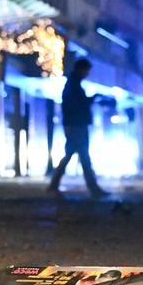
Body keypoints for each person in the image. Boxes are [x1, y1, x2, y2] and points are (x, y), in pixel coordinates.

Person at [49, 58, 107, 197]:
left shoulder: (73, 83)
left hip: (75, 125)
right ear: (82, 69)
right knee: (83, 157)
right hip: (77, 126)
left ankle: (54, 184)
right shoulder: (73, 85)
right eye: (87, 71)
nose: (87, 74)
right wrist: (92, 98)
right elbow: (76, 106)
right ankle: (94, 188)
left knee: (73, 155)